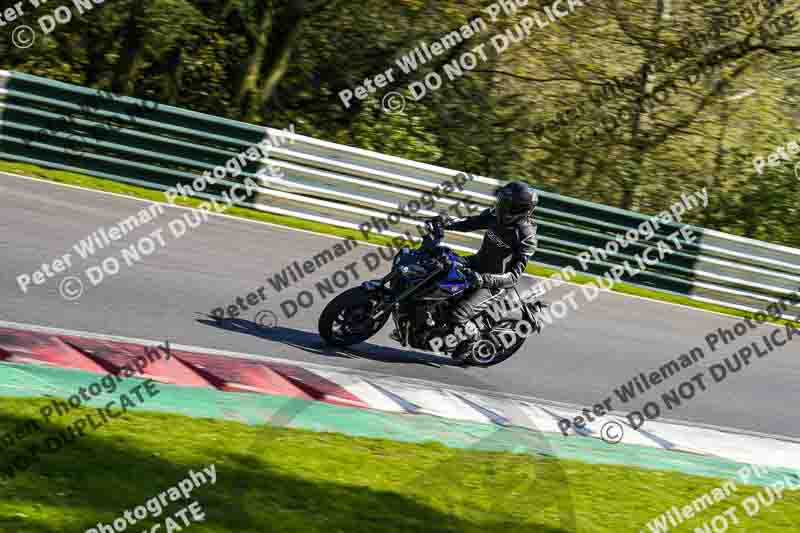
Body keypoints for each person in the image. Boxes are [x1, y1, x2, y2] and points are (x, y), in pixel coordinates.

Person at [438, 181, 539, 360]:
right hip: (475, 264)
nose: (502, 207)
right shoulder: (494, 216)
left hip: (494, 283)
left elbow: (514, 277)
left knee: (458, 314)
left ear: (521, 210)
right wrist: (446, 224)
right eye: (502, 202)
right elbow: (469, 223)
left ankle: (472, 340)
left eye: (508, 205)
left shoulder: (526, 237)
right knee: (437, 270)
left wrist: (485, 279)